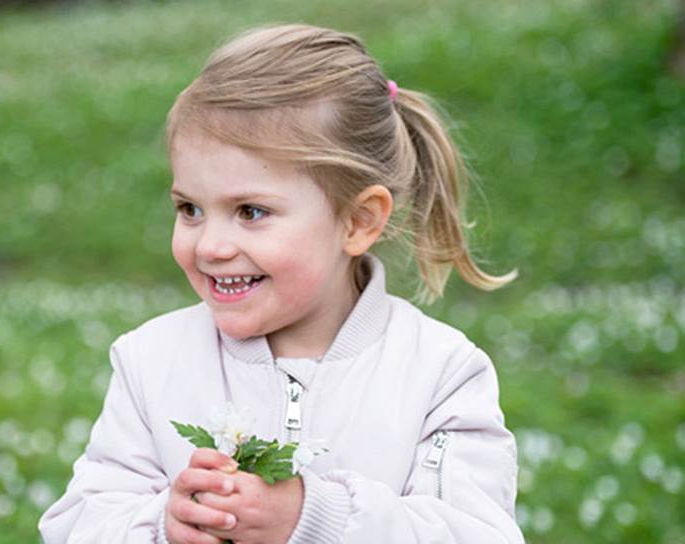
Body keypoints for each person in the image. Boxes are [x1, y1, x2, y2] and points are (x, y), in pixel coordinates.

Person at [39, 22, 524, 544]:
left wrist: (316, 518)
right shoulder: (151, 363)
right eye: (190, 209)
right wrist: (162, 525)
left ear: (359, 221)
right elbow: (80, 524)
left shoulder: (439, 374)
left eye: (250, 211)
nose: (210, 246)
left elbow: (476, 533)